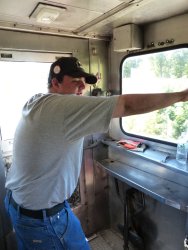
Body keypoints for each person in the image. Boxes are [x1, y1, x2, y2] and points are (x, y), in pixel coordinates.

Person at [4, 56, 188, 250]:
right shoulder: (61, 108)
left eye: (83, 83)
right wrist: (182, 96)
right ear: (55, 82)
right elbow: (126, 105)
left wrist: (79, 89)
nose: (82, 88)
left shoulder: (38, 102)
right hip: (44, 218)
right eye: (75, 82)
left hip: (24, 208)